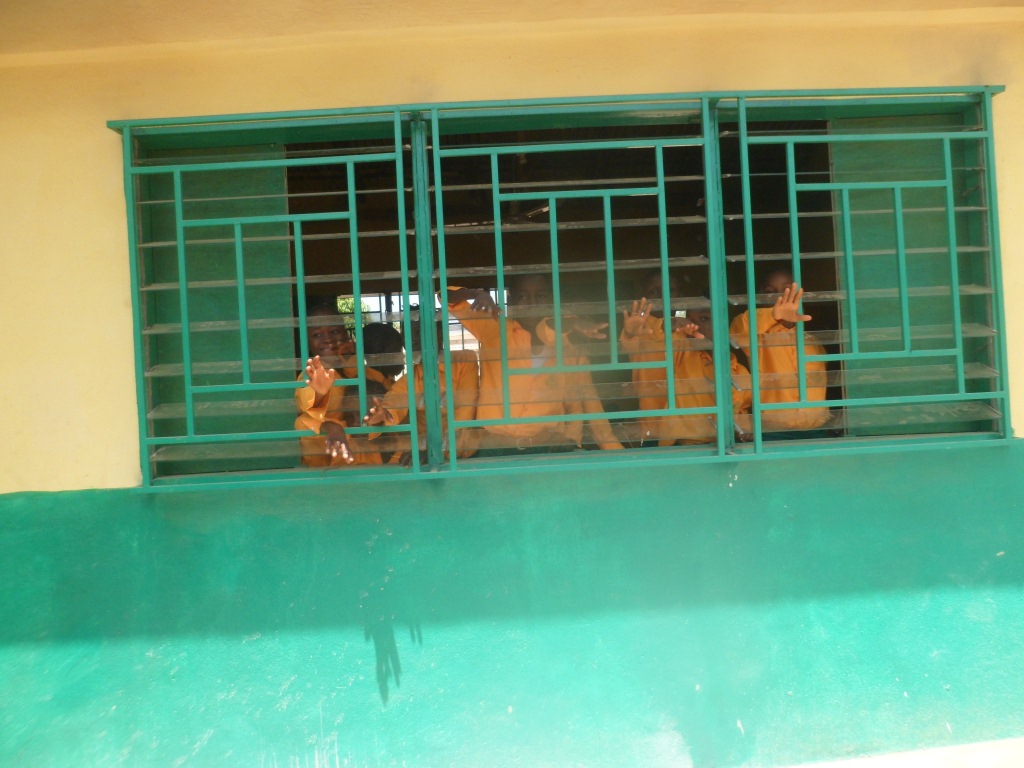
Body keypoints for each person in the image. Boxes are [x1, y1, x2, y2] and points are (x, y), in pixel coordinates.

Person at [445, 274, 624, 454]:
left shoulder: (570, 351)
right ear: (510, 301)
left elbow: (588, 407)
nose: (532, 304)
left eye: (541, 296)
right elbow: (444, 296)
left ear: (551, 301)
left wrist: (614, 453)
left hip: (548, 449)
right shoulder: (494, 328)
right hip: (495, 448)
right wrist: (475, 294)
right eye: (523, 296)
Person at [620, 271, 751, 445]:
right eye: (654, 292)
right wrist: (631, 332)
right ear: (642, 297)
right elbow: (629, 344)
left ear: (680, 296)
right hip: (657, 434)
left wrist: (743, 428)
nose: (663, 297)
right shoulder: (652, 333)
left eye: (671, 290)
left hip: (705, 441)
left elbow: (741, 408)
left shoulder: (732, 367)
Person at [364, 313, 481, 464]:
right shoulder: (410, 379)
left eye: (419, 332)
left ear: (440, 334)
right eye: (407, 335)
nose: (412, 340)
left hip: (466, 456)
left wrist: (435, 450)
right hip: (427, 457)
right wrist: (382, 414)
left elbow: (464, 416)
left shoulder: (464, 361)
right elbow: (394, 401)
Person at [294, 303, 400, 466]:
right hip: (326, 456)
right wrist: (329, 425)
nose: (328, 339)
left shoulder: (353, 368)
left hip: (363, 449)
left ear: (345, 335)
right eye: (317, 335)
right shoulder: (311, 374)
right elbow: (309, 412)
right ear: (307, 342)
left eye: (334, 332)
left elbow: (384, 390)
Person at [728, 269, 830, 433]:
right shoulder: (758, 337)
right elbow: (738, 328)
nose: (779, 297)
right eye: (770, 292)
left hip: (816, 429)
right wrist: (773, 315)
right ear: (761, 296)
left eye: (787, 290)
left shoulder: (812, 342)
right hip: (773, 432)